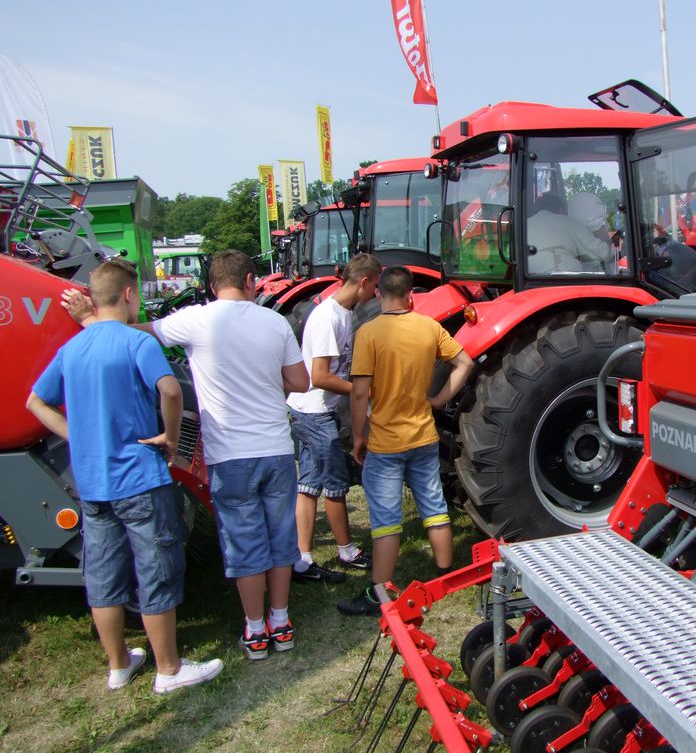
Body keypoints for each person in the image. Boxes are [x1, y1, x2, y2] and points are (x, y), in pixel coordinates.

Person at [64, 250, 310, 661]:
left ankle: (254, 631)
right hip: (275, 450)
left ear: (213, 286)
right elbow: (299, 381)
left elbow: (131, 333)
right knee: (280, 539)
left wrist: (89, 318)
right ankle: (281, 622)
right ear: (251, 281)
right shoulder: (275, 321)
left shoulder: (196, 318)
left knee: (245, 543)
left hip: (229, 454)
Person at [29, 260, 223, 693]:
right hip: (139, 479)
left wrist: (77, 437)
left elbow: (36, 403)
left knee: (103, 574)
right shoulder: (135, 342)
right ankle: (169, 669)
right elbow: (170, 390)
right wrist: (170, 437)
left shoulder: (73, 347)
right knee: (155, 570)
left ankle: (119, 664)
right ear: (130, 295)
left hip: (93, 483)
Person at [338, 266, 474, 615]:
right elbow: (464, 363)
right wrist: (440, 399)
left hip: (385, 443)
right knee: (434, 506)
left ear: (379, 294)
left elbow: (359, 394)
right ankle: (444, 574)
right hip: (424, 437)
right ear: (412, 295)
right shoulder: (429, 327)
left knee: (386, 520)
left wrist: (357, 436)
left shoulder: (369, 333)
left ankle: (379, 594)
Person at [287, 254, 381, 584]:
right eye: (375, 287)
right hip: (313, 411)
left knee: (308, 485)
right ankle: (347, 551)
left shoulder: (342, 312)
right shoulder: (328, 317)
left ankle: (302, 559)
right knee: (337, 486)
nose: (376, 294)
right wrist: (362, 391)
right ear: (364, 282)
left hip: (309, 409)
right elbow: (320, 376)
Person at [526, 192, 610, 274]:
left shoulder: (524, 227)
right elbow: (604, 255)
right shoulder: (566, 222)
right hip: (569, 283)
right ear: (561, 210)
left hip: (533, 285)